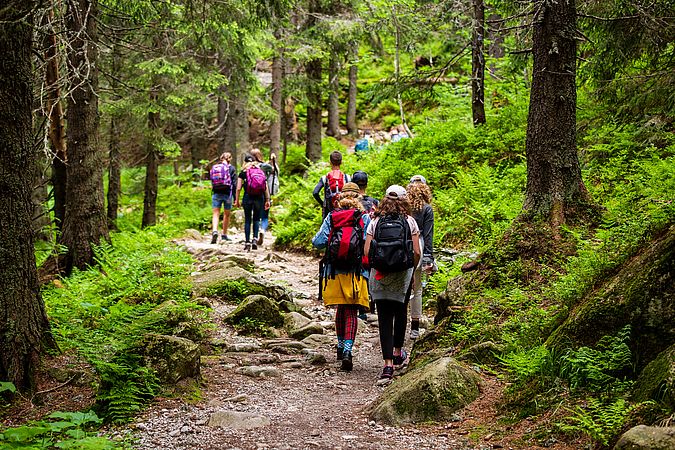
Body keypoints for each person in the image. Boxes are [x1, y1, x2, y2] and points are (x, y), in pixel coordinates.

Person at [364, 185, 421, 383]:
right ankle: (398, 352)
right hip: (402, 274)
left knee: (384, 318)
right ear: (404, 200)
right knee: (401, 311)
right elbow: (416, 252)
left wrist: (379, 265)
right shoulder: (410, 221)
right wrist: (410, 270)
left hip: (379, 275)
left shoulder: (375, 221)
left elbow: (366, 251)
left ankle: (387, 365)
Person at [312, 182, 371, 371]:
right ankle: (347, 350)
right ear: (358, 198)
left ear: (341, 197)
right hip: (356, 271)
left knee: (341, 309)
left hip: (335, 270)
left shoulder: (332, 216)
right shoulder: (364, 218)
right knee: (352, 310)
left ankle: (339, 345)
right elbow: (369, 244)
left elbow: (318, 242)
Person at [407, 175, 436, 340]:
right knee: (417, 290)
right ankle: (415, 328)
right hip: (420, 247)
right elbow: (428, 234)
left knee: (402, 287)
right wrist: (428, 258)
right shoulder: (427, 209)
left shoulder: (403, 207)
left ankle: (398, 324)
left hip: (403, 249)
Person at [234, 154, 270, 251]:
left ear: (244, 162)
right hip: (259, 198)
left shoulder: (243, 173)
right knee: (257, 219)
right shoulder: (260, 171)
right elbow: (265, 187)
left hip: (248, 197)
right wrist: (267, 200)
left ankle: (247, 242)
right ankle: (254, 239)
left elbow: (238, 188)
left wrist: (237, 200)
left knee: (248, 220)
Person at [250, 149, 280, 245]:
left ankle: (255, 233)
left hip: (253, 193)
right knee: (265, 216)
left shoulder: (249, 166)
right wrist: (272, 161)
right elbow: (275, 171)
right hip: (265, 192)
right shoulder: (265, 166)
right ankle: (262, 229)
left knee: (255, 215)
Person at [312, 151, 350, 219]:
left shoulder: (325, 178)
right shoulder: (347, 178)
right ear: (341, 162)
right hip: (344, 214)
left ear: (330, 162)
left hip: (329, 213)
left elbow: (315, 192)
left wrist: (323, 204)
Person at [209, 152, 237, 244]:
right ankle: (224, 235)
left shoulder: (216, 167)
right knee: (226, 214)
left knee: (215, 213)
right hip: (227, 194)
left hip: (216, 193)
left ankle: (214, 231)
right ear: (230, 159)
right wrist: (235, 198)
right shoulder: (231, 168)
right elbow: (234, 184)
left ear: (221, 158)